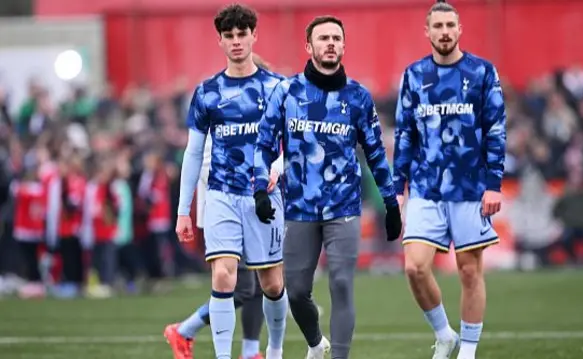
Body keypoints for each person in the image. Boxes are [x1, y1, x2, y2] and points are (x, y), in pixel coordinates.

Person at [252, 15, 402, 359]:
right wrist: (260, 189)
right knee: (297, 292)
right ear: (310, 46)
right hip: (300, 209)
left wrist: (391, 204)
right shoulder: (286, 91)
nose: (330, 43)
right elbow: (263, 144)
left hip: (344, 208)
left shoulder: (359, 97)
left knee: (341, 284)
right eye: (323, 38)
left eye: (336, 37)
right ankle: (317, 344)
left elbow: (377, 153)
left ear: (344, 46)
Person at [393, 1, 506, 359]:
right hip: (426, 189)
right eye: (437, 26)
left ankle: (468, 352)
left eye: (449, 25)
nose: (444, 32)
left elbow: (496, 130)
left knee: (469, 271)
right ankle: (445, 334)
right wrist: (397, 189)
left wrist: (494, 183)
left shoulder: (482, 72)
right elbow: (405, 135)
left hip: (471, 189)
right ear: (426, 32)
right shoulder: (413, 75)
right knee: (414, 266)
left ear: (459, 30)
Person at [173, 5, 288, 359]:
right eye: (230, 35)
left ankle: (275, 350)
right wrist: (183, 211)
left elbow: (294, 143)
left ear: (254, 35)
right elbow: (193, 154)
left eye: (242, 34)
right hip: (221, 194)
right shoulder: (207, 92)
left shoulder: (278, 88)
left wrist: (278, 170)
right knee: (224, 277)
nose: (236, 41)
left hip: (264, 197)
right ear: (220, 40)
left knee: (272, 284)